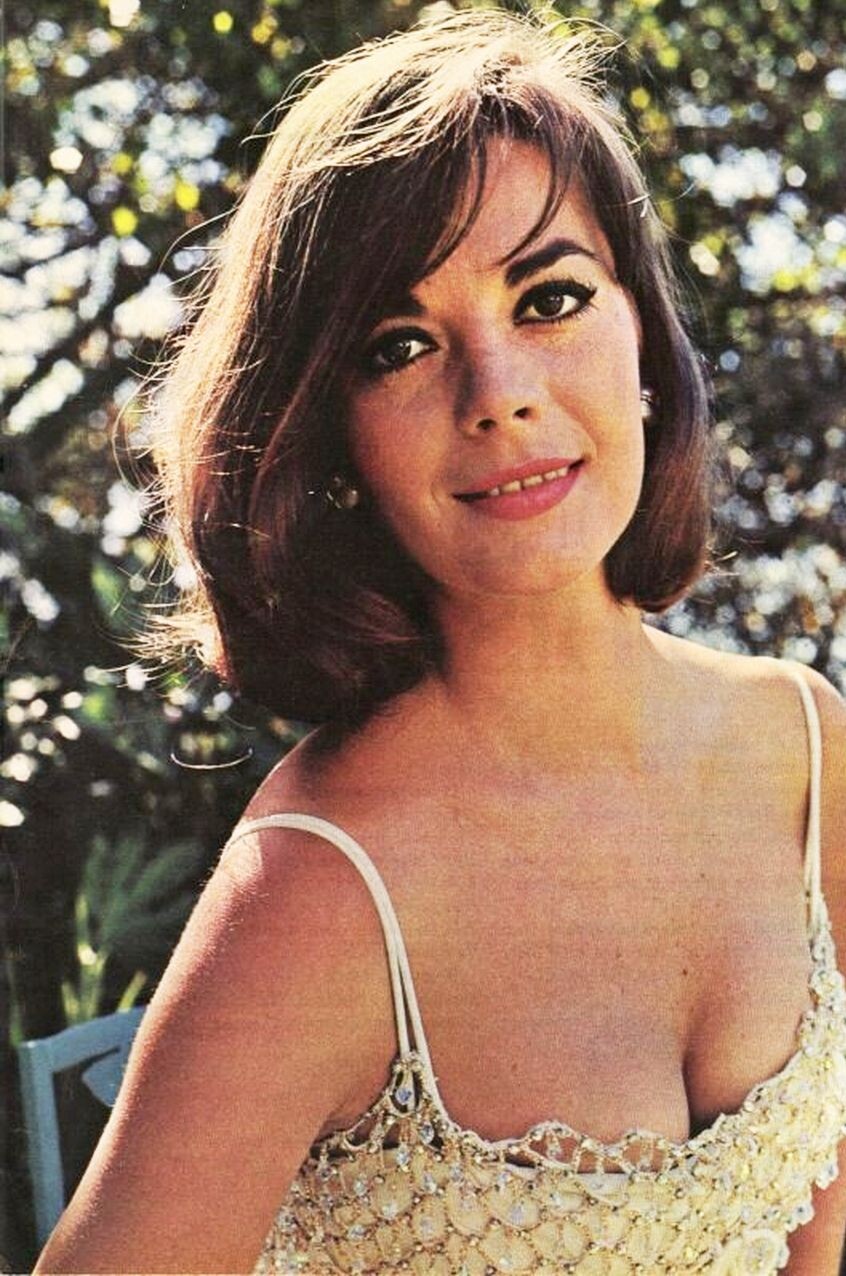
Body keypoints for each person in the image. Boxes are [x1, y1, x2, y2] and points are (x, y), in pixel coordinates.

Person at [35, 10, 846, 1275]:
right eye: (400, 346)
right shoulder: (315, 892)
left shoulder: (805, 746)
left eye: (552, 297)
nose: (498, 392)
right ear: (331, 442)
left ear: (642, 335)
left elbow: (821, 1224)